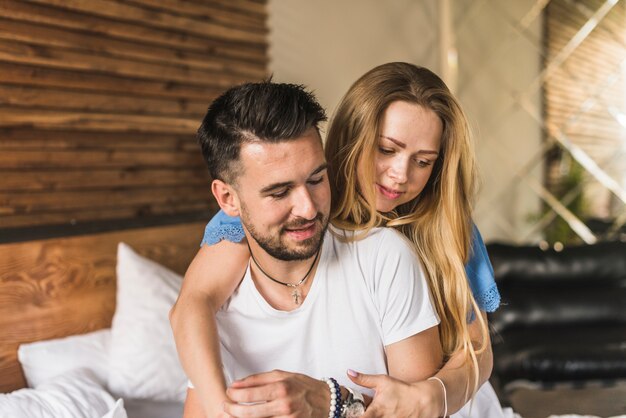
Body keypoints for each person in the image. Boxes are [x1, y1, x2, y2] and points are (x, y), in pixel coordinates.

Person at [171, 63, 503, 417]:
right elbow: (193, 304)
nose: (400, 175)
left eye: (422, 161)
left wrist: (435, 395)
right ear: (352, 137)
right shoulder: (272, 215)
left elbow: (477, 345)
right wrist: (219, 405)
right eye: (387, 150)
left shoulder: (443, 225)